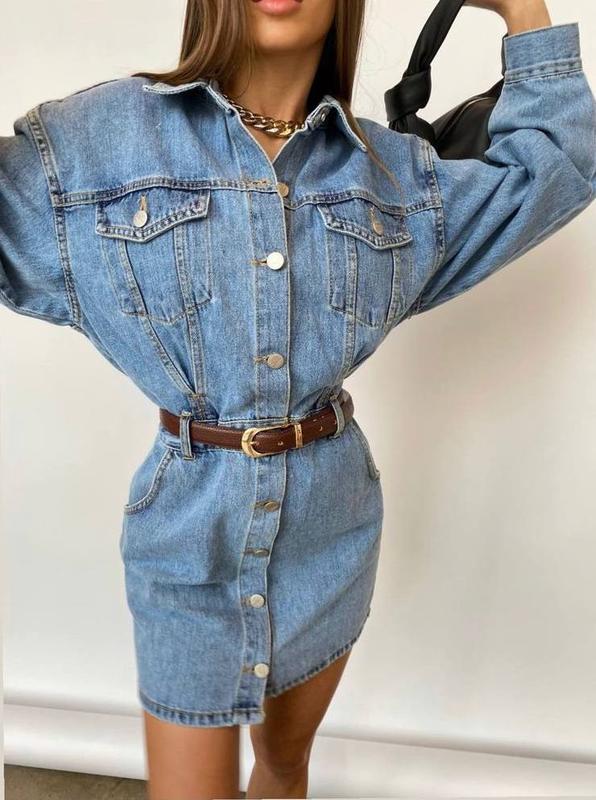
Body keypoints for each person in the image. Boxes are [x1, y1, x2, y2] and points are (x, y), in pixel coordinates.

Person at [1, 0, 594, 797]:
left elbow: (554, 166)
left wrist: (522, 8)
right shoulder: (90, 143)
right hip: (188, 540)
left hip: (331, 527)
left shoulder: (395, 176)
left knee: (284, 765)